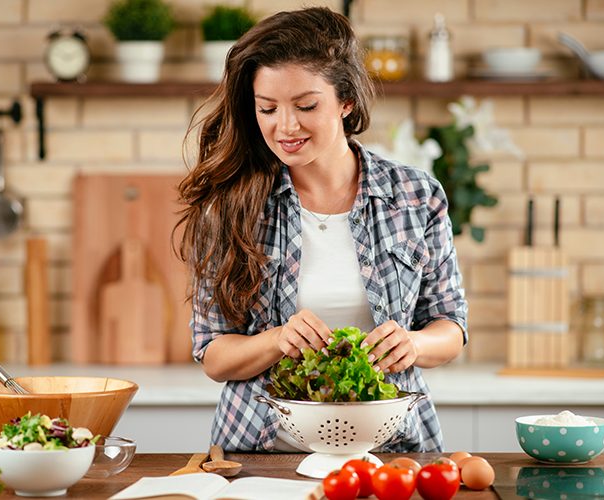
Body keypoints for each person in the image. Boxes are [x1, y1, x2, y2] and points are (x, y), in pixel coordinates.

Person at [175, 6, 467, 453]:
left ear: (346, 101)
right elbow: (213, 356)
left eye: (306, 105)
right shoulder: (230, 206)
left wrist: (413, 343)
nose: (285, 127)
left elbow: (451, 327)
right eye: (267, 108)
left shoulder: (416, 194)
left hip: (393, 453)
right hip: (261, 455)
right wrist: (276, 340)